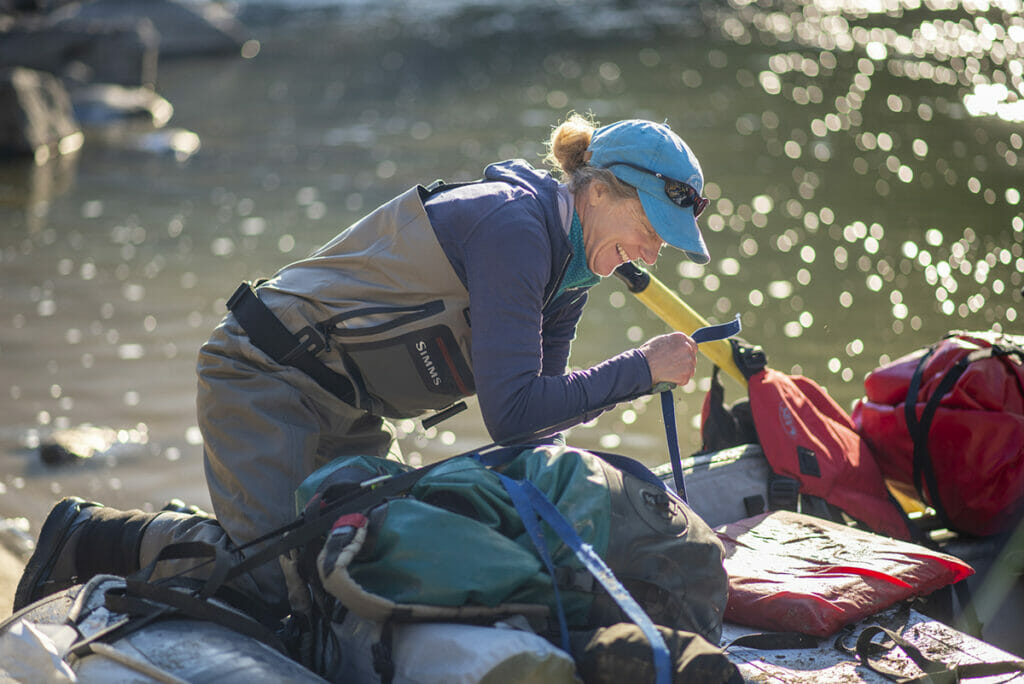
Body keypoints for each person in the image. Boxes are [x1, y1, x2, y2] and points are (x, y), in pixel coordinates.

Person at [14, 114, 712, 619]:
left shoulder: (569, 270)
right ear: (598, 190)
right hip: (263, 371)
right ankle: (88, 535)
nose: (653, 253)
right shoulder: (517, 229)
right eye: (651, 229)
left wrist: (560, 519)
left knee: (368, 564)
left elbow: (534, 431)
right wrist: (639, 370)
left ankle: (225, 521)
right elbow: (512, 408)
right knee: (278, 582)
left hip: (349, 408)